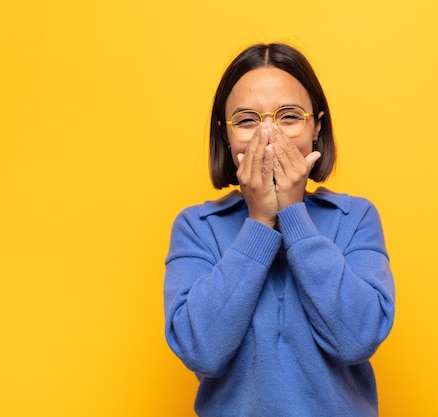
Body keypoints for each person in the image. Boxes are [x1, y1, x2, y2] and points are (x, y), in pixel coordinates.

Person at [164, 42, 395, 417]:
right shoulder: (196, 227)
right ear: (225, 135)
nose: (268, 136)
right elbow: (201, 351)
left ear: (317, 126)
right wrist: (258, 221)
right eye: (246, 120)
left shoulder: (356, 218)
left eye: (289, 116)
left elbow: (356, 340)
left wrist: (293, 213)